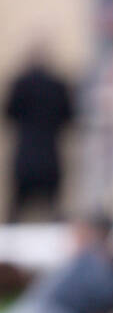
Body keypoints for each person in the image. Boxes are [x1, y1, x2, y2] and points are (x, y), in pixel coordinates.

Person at [4, 46, 75, 222]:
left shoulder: (21, 84)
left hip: (26, 154)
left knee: (17, 211)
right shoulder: (58, 85)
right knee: (52, 207)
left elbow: (9, 113)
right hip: (50, 153)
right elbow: (69, 116)